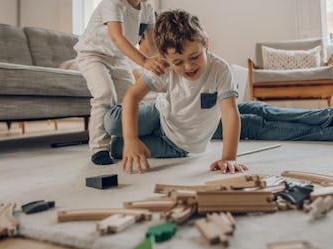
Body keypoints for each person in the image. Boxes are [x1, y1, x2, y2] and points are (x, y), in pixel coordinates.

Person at [104, 9, 248, 174]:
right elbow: (132, 95)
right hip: (160, 115)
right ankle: (133, 122)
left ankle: (132, 129)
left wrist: (229, 157)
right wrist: (131, 139)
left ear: (206, 44)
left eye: (194, 57)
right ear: (165, 58)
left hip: (177, 145)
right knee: (111, 122)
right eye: (178, 62)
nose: (188, 66)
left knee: (116, 148)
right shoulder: (165, 67)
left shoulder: (220, 69)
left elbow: (230, 112)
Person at [74, 0, 167, 165]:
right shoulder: (113, 3)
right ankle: (99, 148)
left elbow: (152, 44)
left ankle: (125, 140)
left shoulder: (147, 9)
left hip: (119, 59)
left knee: (130, 98)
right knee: (105, 94)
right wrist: (144, 61)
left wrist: (163, 63)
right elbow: (117, 38)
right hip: (93, 54)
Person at [212, 101, 333, 141]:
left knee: (258, 108)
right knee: (251, 123)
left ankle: (327, 115)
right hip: (201, 126)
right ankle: (327, 132)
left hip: (213, 110)